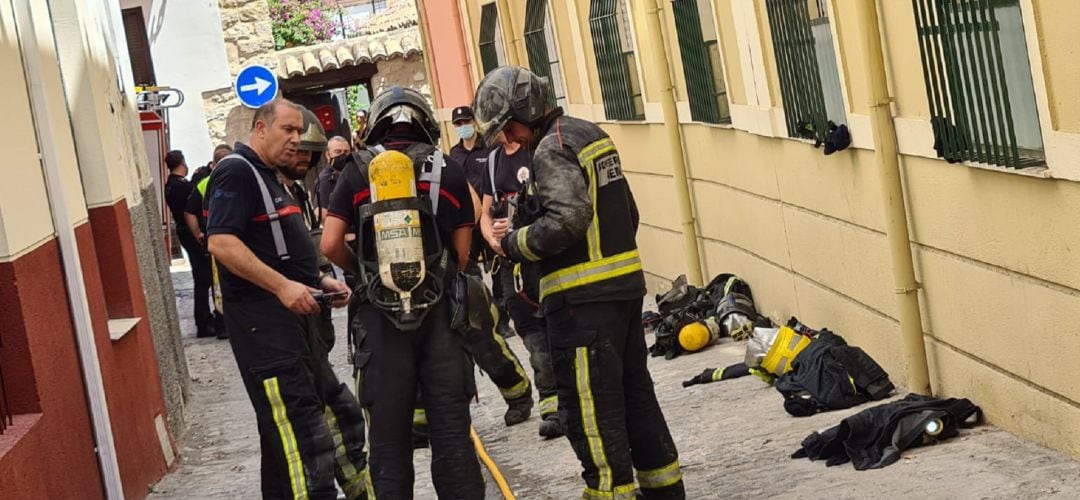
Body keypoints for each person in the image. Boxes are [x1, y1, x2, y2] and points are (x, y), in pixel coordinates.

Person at [474, 66, 685, 499]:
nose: (509, 140)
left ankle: (609, 493)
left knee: (589, 409)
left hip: (582, 306)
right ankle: (665, 490)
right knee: (636, 400)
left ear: (525, 112)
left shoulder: (552, 149)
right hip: (622, 293)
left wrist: (514, 243)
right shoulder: (590, 135)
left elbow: (568, 218)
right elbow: (629, 214)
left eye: (509, 129)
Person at [320, 86, 485, 498]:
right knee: (451, 434)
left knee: (389, 443)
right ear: (426, 124)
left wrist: (363, 274)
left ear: (375, 124)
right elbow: (463, 254)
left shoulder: (357, 171)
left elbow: (328, 244)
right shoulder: (447, 168)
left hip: (379, 320)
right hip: (442, 319)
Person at [206, 98, 363, 499]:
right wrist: (282, 287)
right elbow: (222, 243)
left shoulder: (273, 178)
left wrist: (317, 282)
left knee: (335, 418)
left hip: (299, 333)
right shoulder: (236, 172)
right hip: (267, 337)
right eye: (287, 130)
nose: (297, 140)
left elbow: (279, 252)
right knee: (304, 443)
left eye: (299, 132)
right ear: (260, 129)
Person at [480, 133, 564, 439]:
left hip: (542, 257)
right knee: (531, 335)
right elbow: (485, 213)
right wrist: (492, 237)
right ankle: (551, 405)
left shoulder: (540, 151)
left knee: (557, 327)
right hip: (510, 265)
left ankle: (568, 400)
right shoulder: (492, 162)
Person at [450, 105, 514, 337]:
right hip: (466, 220)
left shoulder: (490, 149)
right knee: (466, 267)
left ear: (474, 122)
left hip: (489, 215)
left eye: (465, 122)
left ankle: (503, 319)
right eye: (458, 124)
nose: (462, 127)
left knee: (499, 267)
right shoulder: (453, 155)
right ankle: (480, 316)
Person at [185, 144, 234, 338]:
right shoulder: (237, 179)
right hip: (234, 239)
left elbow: (189, 211)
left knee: (219, 284)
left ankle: (223, 325)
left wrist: (198, 233)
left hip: (213, 239)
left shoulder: (204, 183)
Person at [165, 149, 215, 338]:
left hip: (184, 232)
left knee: (202, 278)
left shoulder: (170, 185)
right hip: (191, 233)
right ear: (182, 163)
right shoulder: (180, 186)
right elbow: (191, 203)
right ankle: (203, 321)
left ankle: (204, 319)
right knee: (203, 278)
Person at [315, 136, 352, 222]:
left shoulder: (351, 174)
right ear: (328, 155)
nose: (343, 155)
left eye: (346, 152)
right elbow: (321, 213)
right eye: (338, 152)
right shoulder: (325, 180)